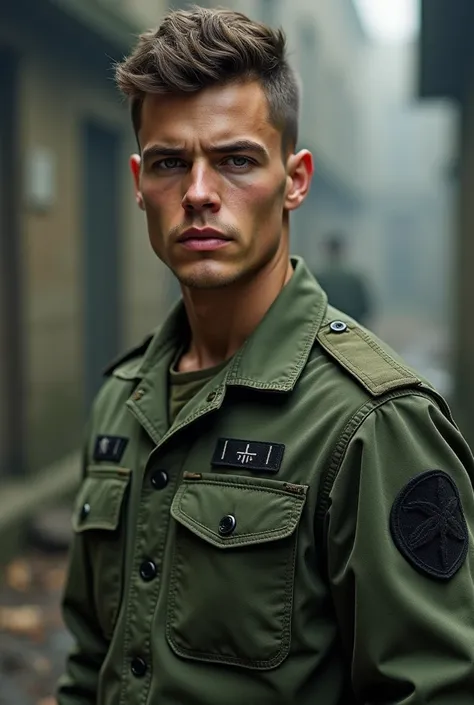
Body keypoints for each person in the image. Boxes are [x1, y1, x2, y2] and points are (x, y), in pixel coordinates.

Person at [57, 7, 474, 705]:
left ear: (295, 179)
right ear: (138, 183)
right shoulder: (121, 398)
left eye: (236, 160)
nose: (197, 193)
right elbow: (90, 662)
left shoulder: (373, 422)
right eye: (169, 162)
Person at [316, 231, 373, 325]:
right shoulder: (354, 279)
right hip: (351, 328)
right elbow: (365, 309)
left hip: (325, 330)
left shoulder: (317, 278)